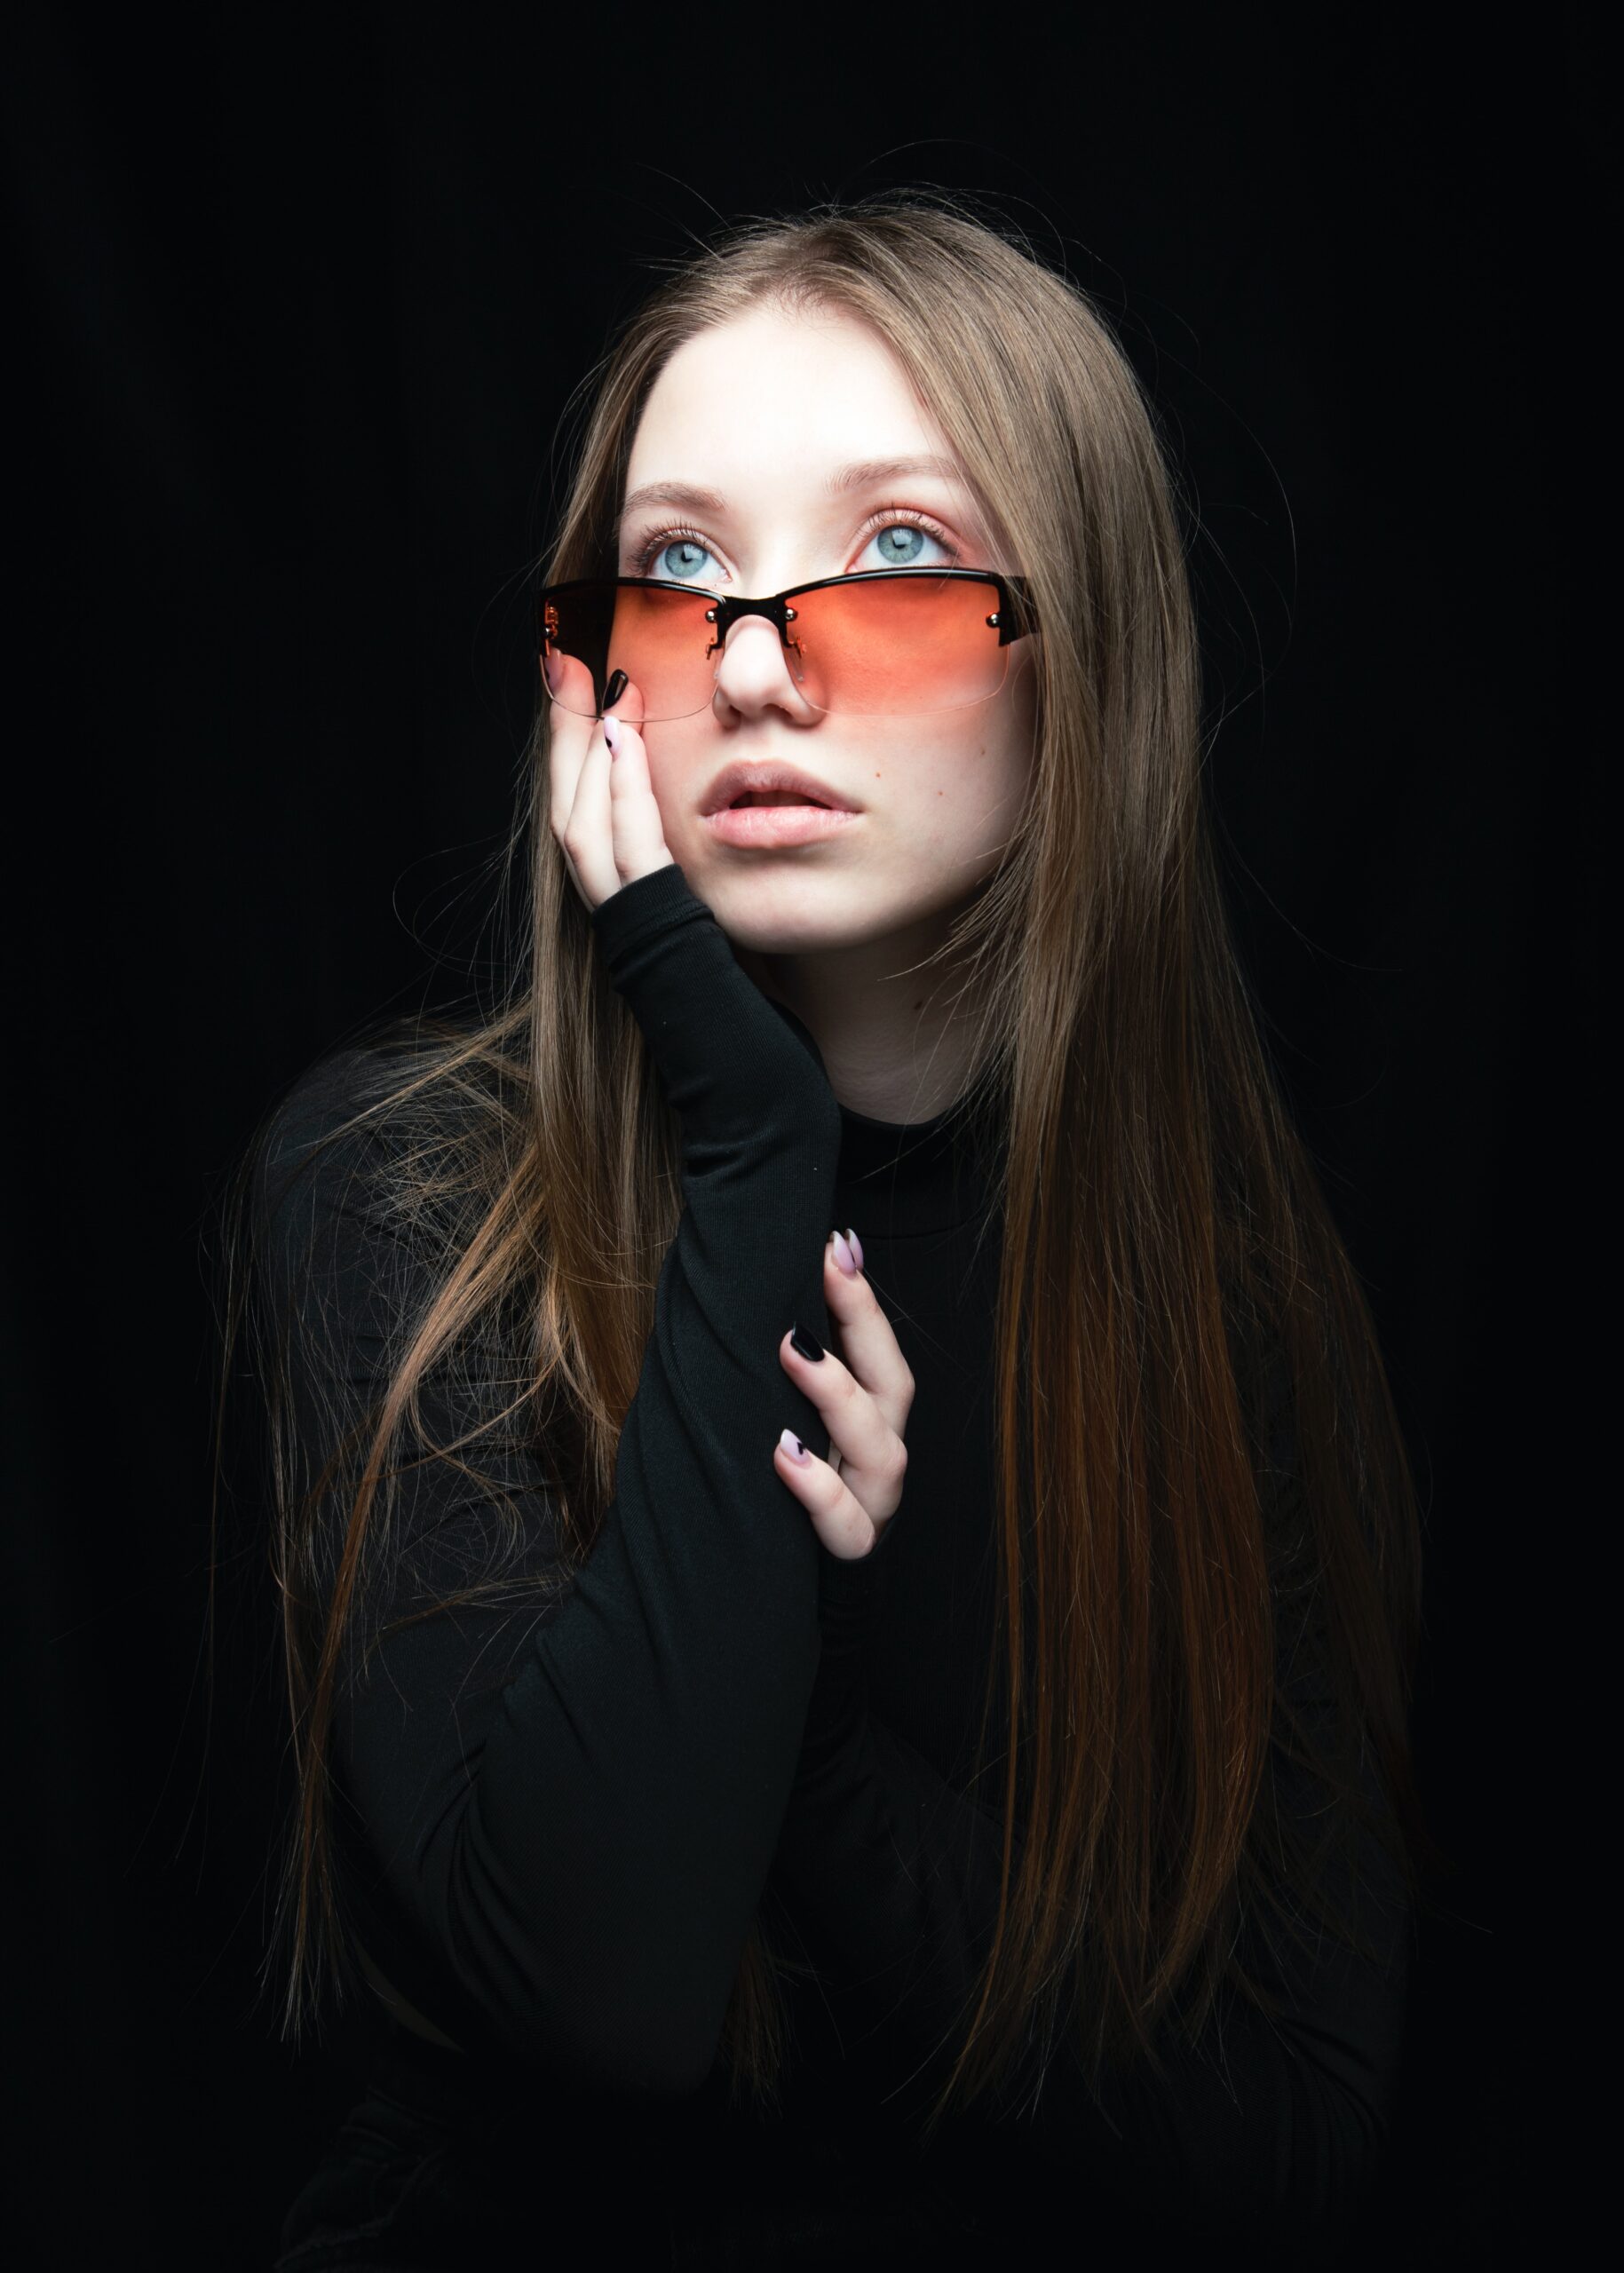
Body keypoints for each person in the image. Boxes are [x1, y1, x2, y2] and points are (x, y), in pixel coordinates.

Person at [230, 193, 1435, 2268]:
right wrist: (755, 1129)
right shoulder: (402, 1199)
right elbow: (605, 1986)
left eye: (892, 553)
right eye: (682, 568)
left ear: (1084, 651)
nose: (758, 661)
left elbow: (1289, 2127)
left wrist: (814, 1716)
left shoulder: (1225, 1289)